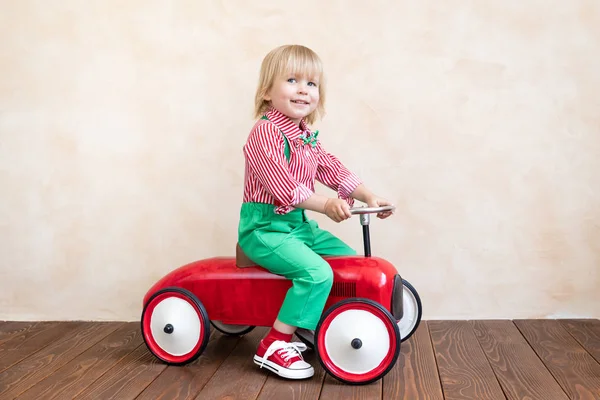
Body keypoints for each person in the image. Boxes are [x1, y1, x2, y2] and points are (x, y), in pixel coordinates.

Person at [238, 44, 393, 380]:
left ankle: (319, 326)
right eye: (292, 80)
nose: (303, 90)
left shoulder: (305, 136)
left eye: (311, 84)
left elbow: (332, 169)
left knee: (349, 262)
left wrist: (367, 195)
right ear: (267, 91)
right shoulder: (264, 132)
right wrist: (326, 204)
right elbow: (282, 186)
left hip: (298, 227)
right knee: (317, 273)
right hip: (265, 229)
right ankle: (274, 343)